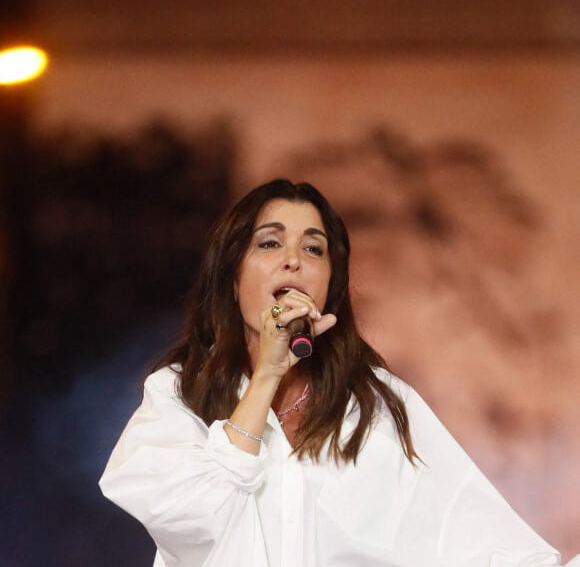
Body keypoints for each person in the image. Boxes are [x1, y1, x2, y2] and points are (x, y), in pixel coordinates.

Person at [99, 178, 578, 567]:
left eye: (314, 249)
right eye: (269, 243)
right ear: (231, 273)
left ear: (332, 284)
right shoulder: (178, 395)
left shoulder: (377, 407)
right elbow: (195, 518)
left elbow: (480, 546)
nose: (293, 259)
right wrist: (266, 374)